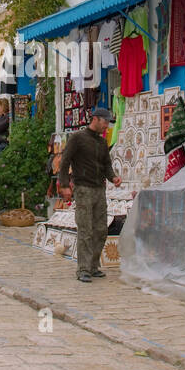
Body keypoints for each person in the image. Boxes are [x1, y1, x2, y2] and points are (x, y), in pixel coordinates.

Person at [57, 106, 121, 282]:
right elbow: (64, 162)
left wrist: (113, 177)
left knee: (101, 229)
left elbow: (107, 164)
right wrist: (64, 185)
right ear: (95, 119)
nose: (107, 126)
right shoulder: (77, 138)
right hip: (83, 189)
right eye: (105, 122)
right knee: (85, 229)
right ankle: (83, 269)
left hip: (99, 189)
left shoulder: (102, 142)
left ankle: (93, 266)